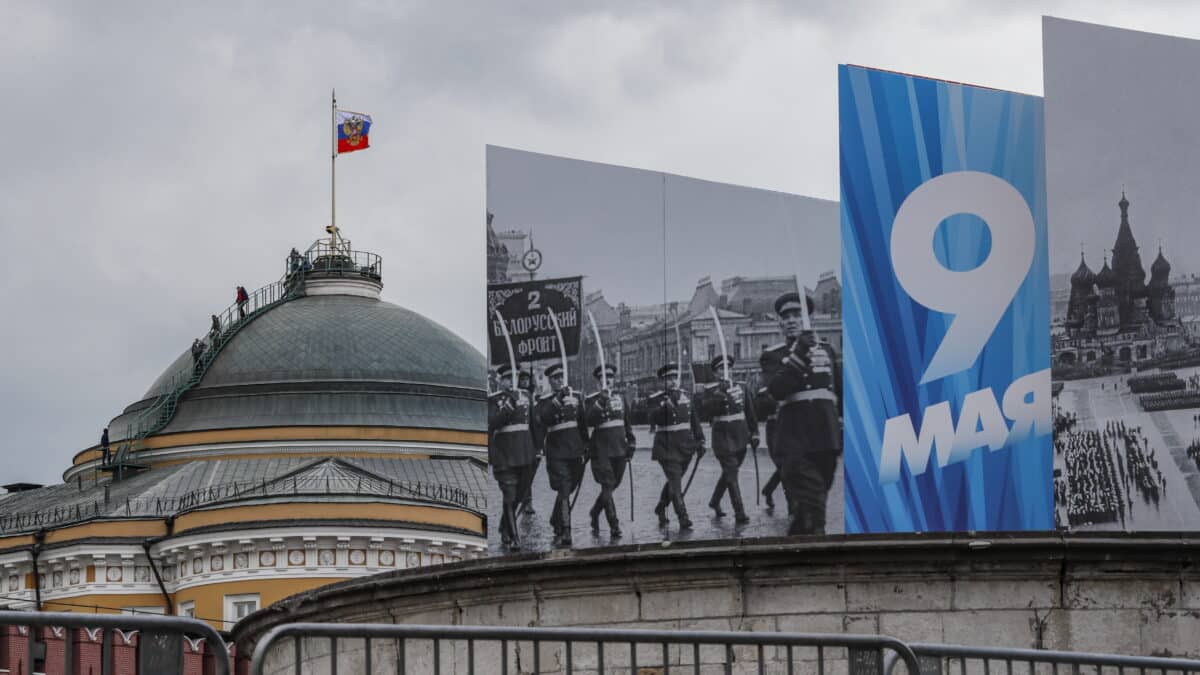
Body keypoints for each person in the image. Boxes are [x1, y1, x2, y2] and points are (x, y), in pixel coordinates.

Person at [761, 292, 841, 536]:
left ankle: (790, 554)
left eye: (797, 315)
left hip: (826, 438)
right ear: (780, 323)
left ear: (809, 319)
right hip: (794, 441)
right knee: (815, 509)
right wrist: (798, 353)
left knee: (809, 511)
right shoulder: (773, 355)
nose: (792, 320)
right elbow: (776, 390)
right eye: (786, 317)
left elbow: (839, 389)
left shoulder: (827, 350)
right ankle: (819, 564)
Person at [701, 355, 758, 523]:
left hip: (741, 436)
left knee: (730, 473)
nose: (725, 372)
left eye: (728, 368)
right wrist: (720, 394)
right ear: (715, 373)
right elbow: (706, 410)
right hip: (722, 438)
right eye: (721, 369)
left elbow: (750, 412)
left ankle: (715, 501)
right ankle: (739, 512)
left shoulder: (742, 387)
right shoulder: (710, 390)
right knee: (731, 471)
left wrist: (755, 433)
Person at [648, 362, 705, 530]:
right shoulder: (656, 399)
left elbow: (694, 420)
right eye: (668, 379)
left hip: (686, 446)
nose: (672, 382)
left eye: (674, 377)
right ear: (661, 382)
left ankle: (661, 506)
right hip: (666, 447)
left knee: (674, 482)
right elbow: (652, 418)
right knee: (675, 482)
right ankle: (683, 517)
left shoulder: (686, 396)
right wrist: (665, 407)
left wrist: (701, 440)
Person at [535, 363, 587, 547]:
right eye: (555, 378)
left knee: (571, 486)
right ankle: (566, 530)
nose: (559, 380)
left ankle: (555, 517)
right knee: (564, 489)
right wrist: (558, 400)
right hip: (557, 451)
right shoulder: (544, 401)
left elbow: (582, 423)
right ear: (550, 381)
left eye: (561, 377)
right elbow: (545, 419)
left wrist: (586, 445)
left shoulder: (577, 396)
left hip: (575, 450)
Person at [487, 364, 538, 549]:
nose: (511, 382)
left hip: (525, 453)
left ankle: (504, 526)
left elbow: (534, 424)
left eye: (513, 377)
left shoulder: (526, 397)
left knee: (520, 494)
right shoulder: (493, 400)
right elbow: (491, 423)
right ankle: (514, 538)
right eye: (507, 378)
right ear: (500, 380)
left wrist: (538, 448)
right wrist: (508, 406)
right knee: (509, 495)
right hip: (505, 455)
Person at [583, 364, 636, 537]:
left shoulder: (620, 398)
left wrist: (632, 443)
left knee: (614, 484)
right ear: (598, 382)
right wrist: (602, 401)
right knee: (607, 486)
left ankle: (595, 511)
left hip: (619, 448)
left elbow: (627, 423)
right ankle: (614, 524)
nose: (608, 382)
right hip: (601, 450)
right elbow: (589, 420)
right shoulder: (592, 400)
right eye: (604, 379)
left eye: (611, 378)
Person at [514, 367, 541, 516]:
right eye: (522, 380)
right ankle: (522, 500)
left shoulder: (532, 395)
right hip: (518, 440)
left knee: (528, 472)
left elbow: (535, 423)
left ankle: (527, 500)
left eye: (527, 379)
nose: (525, 382)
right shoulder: (516, 395)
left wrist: (538, 446)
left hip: (530, 440)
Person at [754, 381, 782, 509]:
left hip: (791, 427)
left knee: (788, 466)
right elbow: (760, 408)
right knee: (783, 465)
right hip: (775, 428)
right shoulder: (765, 390)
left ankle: (769, 490)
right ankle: (793, 506)